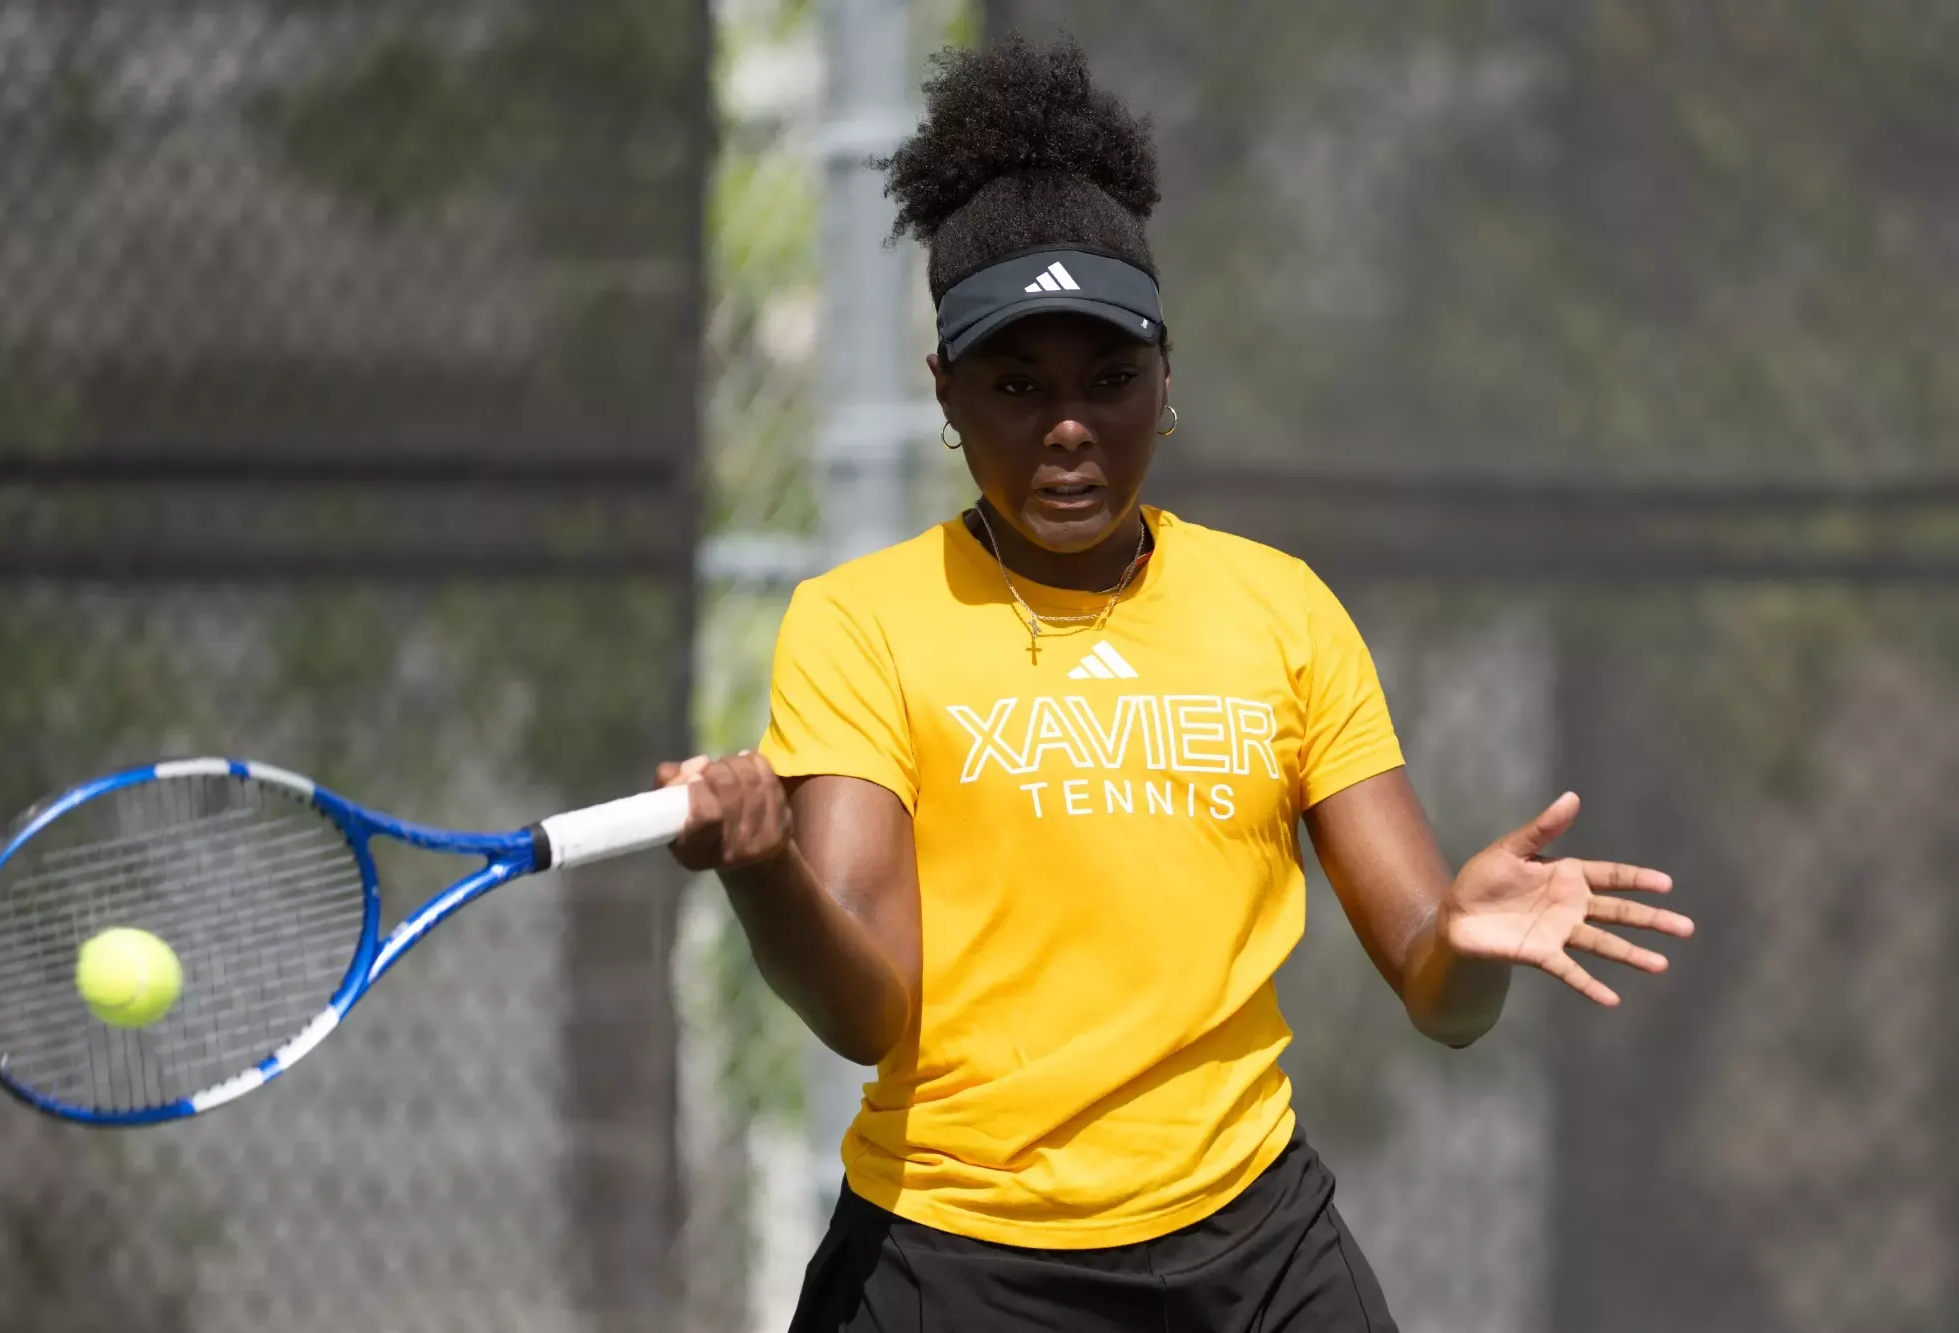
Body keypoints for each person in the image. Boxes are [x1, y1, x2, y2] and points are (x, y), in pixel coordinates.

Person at [657, 33, 1693, 1333]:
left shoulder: (1283, 611)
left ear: (1166, 377)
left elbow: (1439, 992)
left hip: (1256, 1259)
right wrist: (764, 870)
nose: (1070, 424)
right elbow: (869, 1011)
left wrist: (1469, 939)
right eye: (1016, 385)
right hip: (956, 1266)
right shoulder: (860, 624)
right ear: (945, 392)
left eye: (1110, 378)